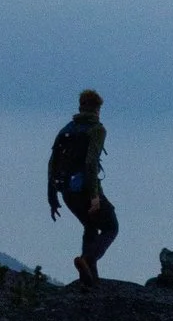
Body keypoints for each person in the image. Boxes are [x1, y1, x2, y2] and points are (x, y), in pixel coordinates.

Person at [47, 86, 119, 285]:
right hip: (86, 190)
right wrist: (95, 196)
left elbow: (51, 163)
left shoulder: (65, 131)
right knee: (111, 227)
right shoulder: (97, 129)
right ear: (97, 109)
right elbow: (90, 163)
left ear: (80, 107)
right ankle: (88, 259)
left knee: (90, 224)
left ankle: (89, 278)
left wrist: (52, 198)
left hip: (67, 192)